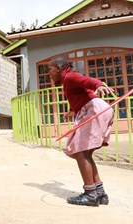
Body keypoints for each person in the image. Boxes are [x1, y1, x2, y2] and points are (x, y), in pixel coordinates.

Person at [48, 57, 114, 207]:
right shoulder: (67, 81)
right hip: (98, 108)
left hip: (95, 109)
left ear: (58, 68)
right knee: (86, 154)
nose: (49, 74)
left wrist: (99, 84)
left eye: (50, 69)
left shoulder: (70, 76)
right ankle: (100, 193)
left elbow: (86, 81)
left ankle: (90, 195)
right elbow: (81, 94)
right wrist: (72, 110)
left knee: (80, 152)